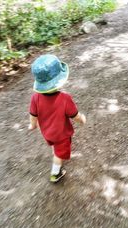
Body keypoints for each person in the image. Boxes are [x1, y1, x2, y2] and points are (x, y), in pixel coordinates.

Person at [29, 54, 86, 183]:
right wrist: (82, 119)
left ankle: (56, 152)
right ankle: (55, 174)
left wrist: (32, 125)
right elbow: (75, 116)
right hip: (61, 135)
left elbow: (33, 115)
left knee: (56, 147)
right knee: (59, 155)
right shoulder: (65, 98)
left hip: (47, 133)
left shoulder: (35, 98)